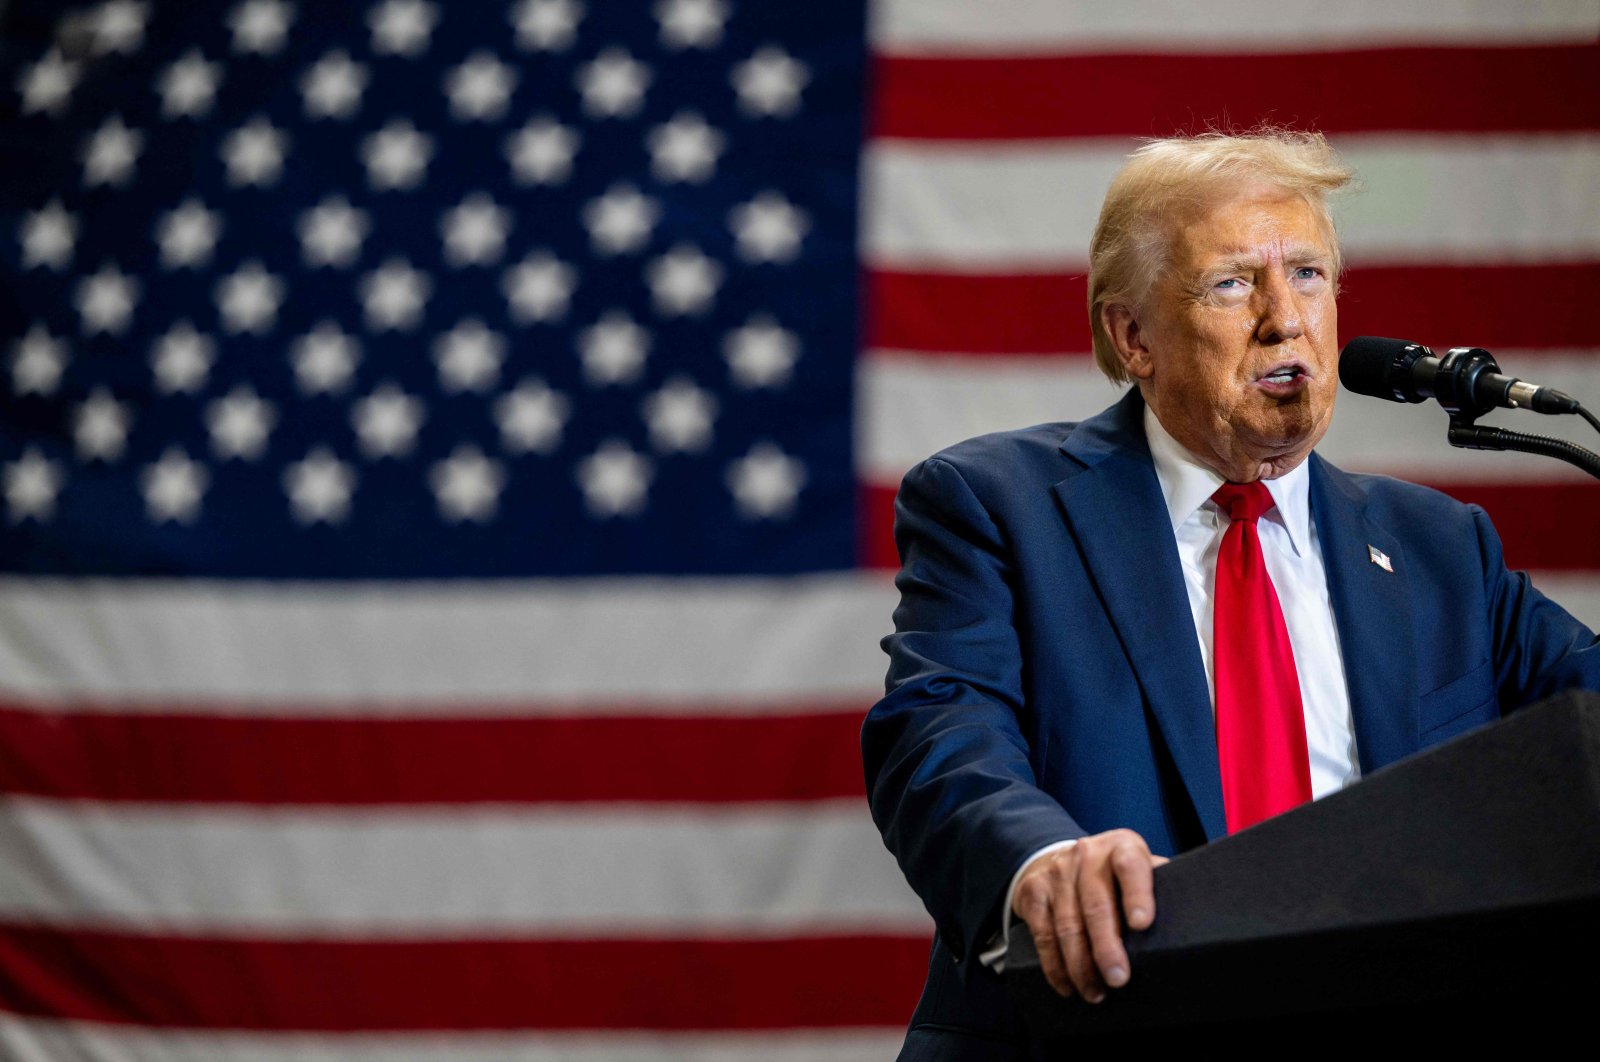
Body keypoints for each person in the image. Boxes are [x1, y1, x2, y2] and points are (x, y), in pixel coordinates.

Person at [861, 129, 1600, 1060]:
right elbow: (938, 732)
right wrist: (1040, 864)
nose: (1283, 318)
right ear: (1133, 336)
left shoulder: (1440, 549)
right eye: (1231, 283)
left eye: (1308, 275)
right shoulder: (998, 507)